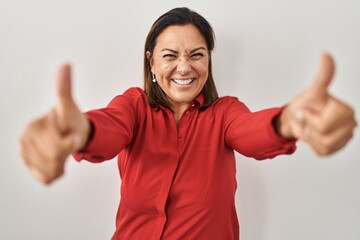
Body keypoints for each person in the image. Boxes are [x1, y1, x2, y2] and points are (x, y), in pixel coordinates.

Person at [19, 7, 357, 240]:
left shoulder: (225, 113)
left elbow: (252, 132)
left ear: (209, 60)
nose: (184, 68)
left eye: (197, 55)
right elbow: (109, 126)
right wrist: (82, 131)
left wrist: (288, 121)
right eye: (170, 56)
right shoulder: (135, 106)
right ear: (151, 62)